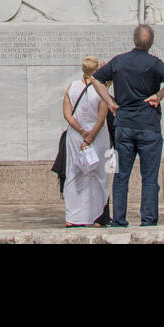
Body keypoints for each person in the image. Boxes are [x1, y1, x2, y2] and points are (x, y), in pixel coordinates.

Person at [89, 24, 164, 227]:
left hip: (125, 124)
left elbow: (95, 79)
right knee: (149, 177)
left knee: (121, 176)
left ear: (134, 40)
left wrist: (110, 101)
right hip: (148, 124)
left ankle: (119, 219)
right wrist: (158, 96)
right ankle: (148, 220)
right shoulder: (155, 63)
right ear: (151, 43)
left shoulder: (119, 61)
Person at [62, 55, 111, 227]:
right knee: (99, 175)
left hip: (76, 135)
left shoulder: (72, 87)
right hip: (96, 136)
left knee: (74, 174)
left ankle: (72, 217)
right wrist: (90, 137)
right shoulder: (101, 89)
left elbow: (67, 114)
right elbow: (101, 117)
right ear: (96, 69)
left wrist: (82, 131)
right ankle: (97, 216)